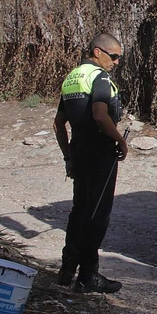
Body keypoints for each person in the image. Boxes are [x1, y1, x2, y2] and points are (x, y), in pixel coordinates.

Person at [54, 33, 130, 293]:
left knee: (80, 209)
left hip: (79, 152)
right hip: (100, 153)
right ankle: (88, 276)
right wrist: (120, 140)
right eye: (114, 56)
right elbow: (100, 115)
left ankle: (66, 269)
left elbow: (58, 123)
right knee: (97, 213)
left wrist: (68, 156)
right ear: (98, 52)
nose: (117, 62)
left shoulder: (72, 77)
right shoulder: (100, 78)